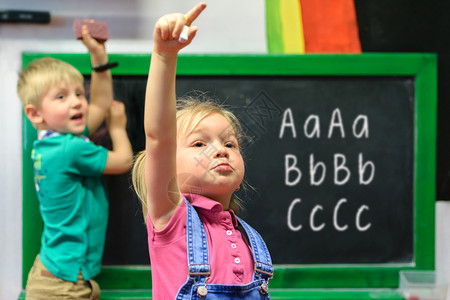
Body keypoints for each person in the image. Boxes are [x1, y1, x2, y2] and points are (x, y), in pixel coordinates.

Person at [131, 3, 273, 299]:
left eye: (229, 143)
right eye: (199, 143)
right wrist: (165, 55)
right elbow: (158, 136)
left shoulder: (247, 236)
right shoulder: (171, 217)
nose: (220, 150)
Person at [17, 21, 133, 300]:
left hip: (57, 273)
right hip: (64, 285)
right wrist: (117, 128)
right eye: (61, 97)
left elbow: (101, 104)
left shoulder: (53, 143)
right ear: (35, 114)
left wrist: (98, 56)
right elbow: (123, 161)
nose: (78, 102)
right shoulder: (69, 149)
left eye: (80, 93)